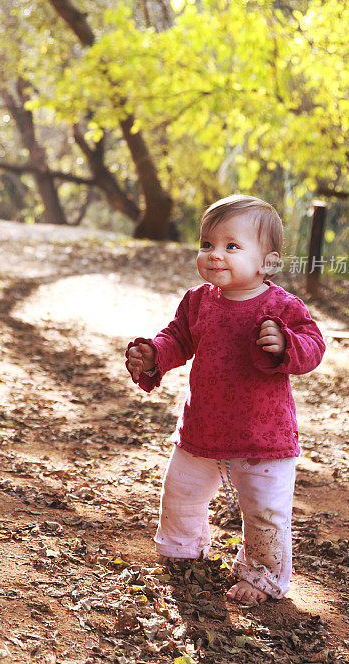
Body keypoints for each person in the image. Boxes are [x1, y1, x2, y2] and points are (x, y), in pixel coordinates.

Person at [125, 195, 325, 603]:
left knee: (264, 515)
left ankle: (263, 576)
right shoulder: (198, 301)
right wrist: (153, 355)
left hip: (262, 437)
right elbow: (177, 338)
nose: (215, 254)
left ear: (266, 262)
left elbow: (314, 345)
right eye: (207, 244)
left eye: (232, 246)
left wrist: (285, 343)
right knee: (181, 493)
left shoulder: (281, 306)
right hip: (203, 427)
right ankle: (182, 549)